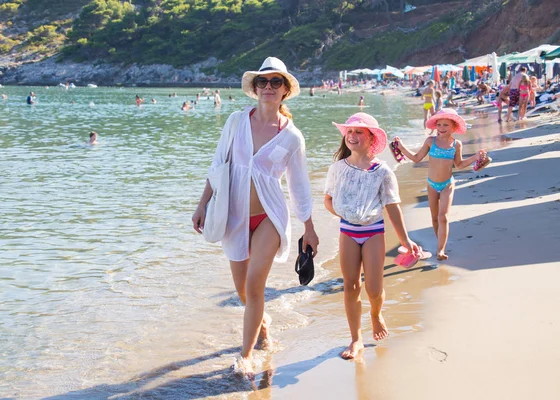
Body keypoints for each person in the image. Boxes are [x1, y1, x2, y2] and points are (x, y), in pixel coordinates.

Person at [191, 57, 319, 378]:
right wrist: (202, 204)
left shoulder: (292, 137)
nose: (268, 87)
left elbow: (299, 186)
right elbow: (218, 165)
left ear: (285, 91)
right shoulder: (236, 121)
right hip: (233, 217)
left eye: (276, 82)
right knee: (243, 293)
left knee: (255, 286)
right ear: (255, 88)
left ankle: (244, 357)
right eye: (263, 82)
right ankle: (261, 328)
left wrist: (310, 228)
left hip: (268, 218)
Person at [324, 113, 419, 360]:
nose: (353, 136)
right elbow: (328, 200)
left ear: (371, 138)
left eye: (359, 132)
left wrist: (405, 240)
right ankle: (356, 340)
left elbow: (393, 206)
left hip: (373, 232)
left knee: (374, 289)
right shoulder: (337, 169)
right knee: (351, 286)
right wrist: (345, 213)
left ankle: (376, 314)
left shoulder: (382, 171)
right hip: (348, 232)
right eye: (350, 132)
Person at [393, 109, 488, 261]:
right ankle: (440, 241)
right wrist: (402, 147)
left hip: (447, 185)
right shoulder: (431, 141)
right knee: (435, 218)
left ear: (454, 127)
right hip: (431, 185)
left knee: (443, 217)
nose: (442, 128)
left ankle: (440, 250)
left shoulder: (456, 145)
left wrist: (475, 157)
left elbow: (459, 164)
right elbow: (417, 158)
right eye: (439, 125)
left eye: (445, 125)